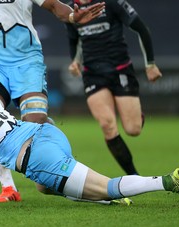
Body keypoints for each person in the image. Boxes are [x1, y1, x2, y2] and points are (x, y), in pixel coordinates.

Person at [0, 85, 179, 208]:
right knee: (44, 188)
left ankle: (167, 181)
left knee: (109, 185)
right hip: (46, 132)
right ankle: (96, 194)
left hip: (38, 158)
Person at [65, 0, 162, 175]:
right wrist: (75, 61)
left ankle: (136, 116)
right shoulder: (71, 9)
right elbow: (74, 40)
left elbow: (142, 29)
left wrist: (151, 64)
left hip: (120, 70)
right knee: (107, 125)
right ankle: (134, 177)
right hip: (92, 74)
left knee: (133, 129)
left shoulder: (111, 3)